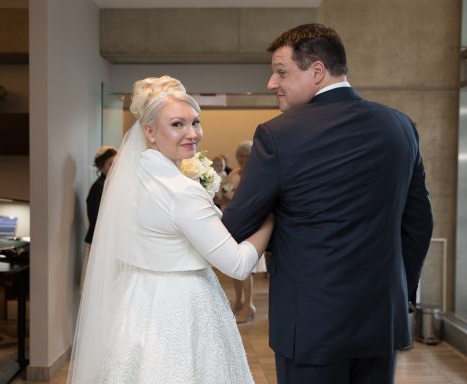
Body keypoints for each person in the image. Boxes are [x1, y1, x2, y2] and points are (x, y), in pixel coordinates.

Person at [222, 23, 434, 384]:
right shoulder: (400, 126)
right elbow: (418, 224)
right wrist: (399, 292)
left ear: (317, 71)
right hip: (381, 318)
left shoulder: (277, 135)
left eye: (281, 72)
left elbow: (235, 227)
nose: (273, 84)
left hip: (310, 326)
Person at [67, 75, 274, 384]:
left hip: (137, 300)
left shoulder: (130, 179)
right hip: (183, 307)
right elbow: (239, 264)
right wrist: (271, 216)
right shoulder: (182, 192)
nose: (192, 133)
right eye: (177, 124)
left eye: (195, 122)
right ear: (149, 131)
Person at [221, 141, 267, 323]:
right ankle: (239, 301)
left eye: (246, 156)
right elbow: (224, 194)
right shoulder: (233, 174)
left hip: (249, 223)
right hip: (232, 222)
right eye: (240, 156)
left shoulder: (257, 174)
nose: (243, 159)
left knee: (246, 266)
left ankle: (249, 305)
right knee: (234, 265)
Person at [81, 145, 117, 288]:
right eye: (110, 164)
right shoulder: (99, 187)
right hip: (100, 243)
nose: (115, 167)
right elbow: (97, 221)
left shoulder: (111, 185)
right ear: (102, 166)